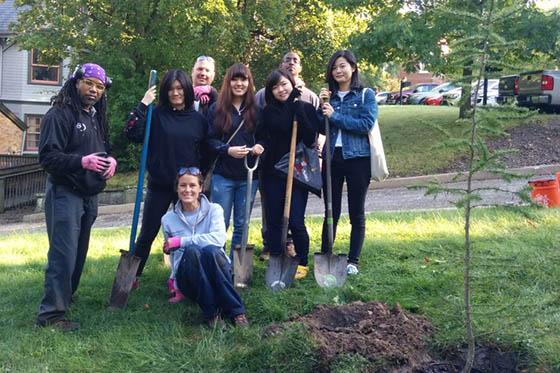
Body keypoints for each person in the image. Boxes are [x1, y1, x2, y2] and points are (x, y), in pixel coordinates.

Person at [36, 63, 117, 331]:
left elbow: (100, 148)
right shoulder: (59, 114)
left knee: (79, 253)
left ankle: (65, 297)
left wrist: (111, 160)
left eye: (100, 86)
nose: (94, 90)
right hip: (65, 193)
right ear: (76, 82)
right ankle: (51, 316)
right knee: (64, 255)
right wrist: (82, 162)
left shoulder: (95, 115)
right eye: (89, 83)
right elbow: (48, 158)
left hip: (88, 194)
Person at [124, 69, 208, 292]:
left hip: (188, 188)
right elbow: (131, 133)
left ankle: (184, 278)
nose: (175, 93)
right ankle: (131, 277)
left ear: (187, 90)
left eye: (180, 88)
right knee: (148, 232)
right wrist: (143, 105)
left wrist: (201, 177)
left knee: (188, 235)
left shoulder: (198, 119)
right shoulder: (156, 115)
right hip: (161, 184)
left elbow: (206, 150)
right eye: (171, 89)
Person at [162, 167, 249, 327]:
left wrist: (181, 241)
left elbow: (218, 239)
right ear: (176, 188)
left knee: (211, 250)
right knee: (192, 251)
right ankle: (212, 315)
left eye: (192, 185)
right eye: (182, 185)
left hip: (217, 269)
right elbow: (174, 256)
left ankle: (237, 313)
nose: (187, 190)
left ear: (200, 188)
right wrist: (174, 282)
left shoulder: (214, 210)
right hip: (190, 278)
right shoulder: (168, 219)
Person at [255, 51, 320, 261]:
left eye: (284, 84)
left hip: (297, 173)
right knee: (273, 219)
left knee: (295, 221)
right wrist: (259, 147)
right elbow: (263, 137)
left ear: (292, 83)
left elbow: (311, 138)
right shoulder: (267, 112)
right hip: (272, 173)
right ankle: (276, 257)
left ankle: (302, 261)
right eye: (275, 87)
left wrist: (297, 108)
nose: (280, 89)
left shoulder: (305, 107)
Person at [319, 50, 378, 275]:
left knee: (356, 211)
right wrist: (321, 105)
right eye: (334, 68)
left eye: (342, 66)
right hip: (333, 158)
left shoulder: (365, 95)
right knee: (330, 209)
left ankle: (353, 260)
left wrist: (334, 116)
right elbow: (319, 125)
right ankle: (326, 254)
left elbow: (366, 124)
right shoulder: (329, 97)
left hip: (358, 159)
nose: (338, 71)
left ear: (353, 67)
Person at [207, 63, 264, 257]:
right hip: (223, 176)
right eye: (235, 79)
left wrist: (259, 147)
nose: (239, 83)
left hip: (249, 175)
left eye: (244, 79)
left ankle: (236, 267)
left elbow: (266, 137)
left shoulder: (256, 109)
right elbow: (209, 141)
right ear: (228, 82)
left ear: (249, 82)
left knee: (242, 223)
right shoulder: (217, 108)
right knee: (220, 223)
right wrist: (227, 150)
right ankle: (219, 263)